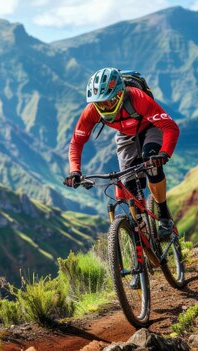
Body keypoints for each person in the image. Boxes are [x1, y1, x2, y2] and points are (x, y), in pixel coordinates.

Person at [63, 67, 180, 240]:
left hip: (150, 127)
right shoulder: (92, 111)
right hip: (126, 135)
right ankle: (142, 231)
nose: (104, 107)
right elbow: (76, 142)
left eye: (108, 102)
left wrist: (164, 154)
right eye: (99, 103)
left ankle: (164, 218)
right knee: (128, 184)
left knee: (152, 165)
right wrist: (75, 171)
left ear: (119, 95)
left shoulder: (137, 98)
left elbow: (170, 127)